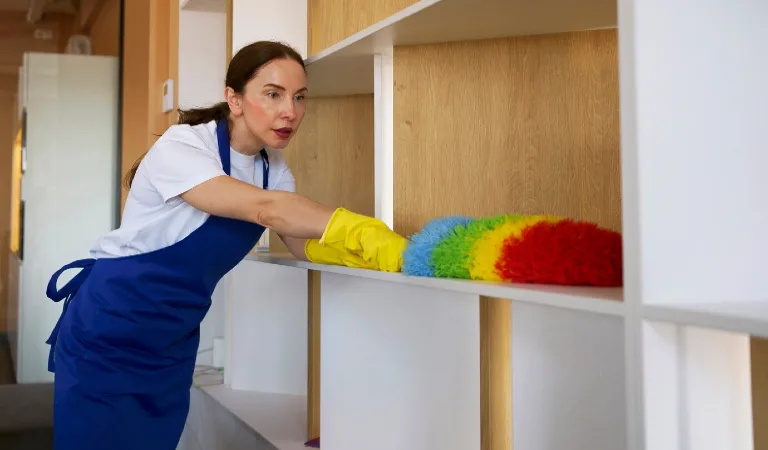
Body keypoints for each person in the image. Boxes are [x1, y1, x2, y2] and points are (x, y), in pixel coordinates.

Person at [44, 40, 406, 450]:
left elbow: (302, 243)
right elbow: (268, 211)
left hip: (171, 341)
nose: (290, 111)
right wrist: (362, 228)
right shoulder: (184, 146)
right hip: (111, 328)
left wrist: (375, 256)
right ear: (234, 99)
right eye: (273, 94)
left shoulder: (272, 170)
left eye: (299, 97)